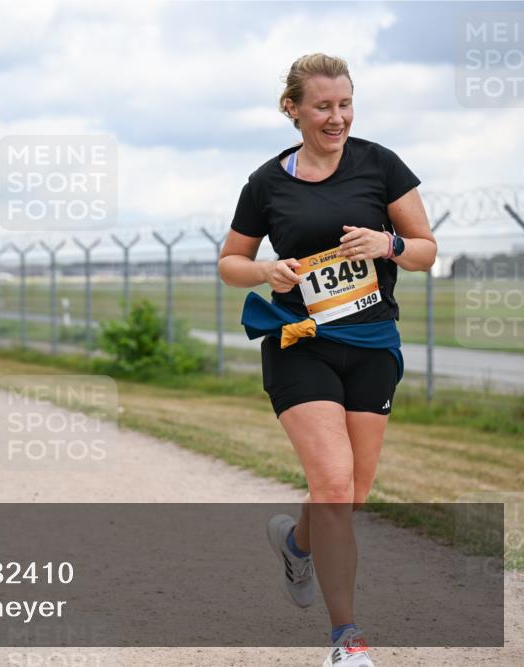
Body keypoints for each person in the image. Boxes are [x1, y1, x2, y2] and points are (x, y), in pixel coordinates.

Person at [218, 54, 436, 667]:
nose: (337, 117)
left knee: (351, 493)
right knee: (334, 486)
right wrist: (265, 270)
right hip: (301, 342)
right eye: (323, 106)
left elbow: (425, 251)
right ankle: (347, 640)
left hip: (372, 345)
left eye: (345, 104)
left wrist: (387, 243)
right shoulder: (266, 183)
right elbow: (230, 262)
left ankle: (296, 544)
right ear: (292, 109)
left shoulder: (380, 165)